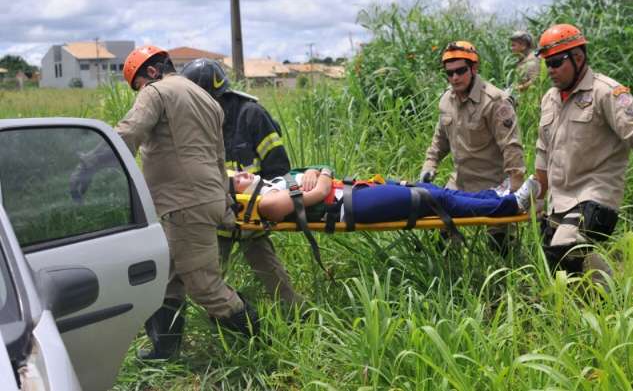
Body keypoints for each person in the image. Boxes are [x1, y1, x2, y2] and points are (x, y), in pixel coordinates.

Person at [70, 46, 259, 361]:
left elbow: (129, 134)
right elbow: (217, 158)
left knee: (205, 287)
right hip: (203, 200)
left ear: (152, 72)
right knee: (166, 279)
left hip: (184, 204)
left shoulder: (156, 92)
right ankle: (164, 350)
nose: (141, 90)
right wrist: (224, 205)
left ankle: (260, 346)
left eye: (140, 83)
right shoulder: (208, 101)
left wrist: (87, 165)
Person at [181, 58, 302, 306]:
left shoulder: (252, 115)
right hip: (217, 216)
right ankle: (224, 320)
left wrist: (264, 202)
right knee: (208, 279)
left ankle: (298, 316)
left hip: (254, 212)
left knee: (266, 266)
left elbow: (280, 169)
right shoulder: (194, 124)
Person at [534, 24, 633, 286]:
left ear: (578, 58)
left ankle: (613, 294)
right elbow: (542, 151)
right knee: (556, 263)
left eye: (557, 62)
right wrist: (537, 199)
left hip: (596, 195)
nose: (551, 70)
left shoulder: (607, 92)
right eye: (548, 64)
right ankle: (600, 304)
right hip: (559, 199)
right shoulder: (550, 99)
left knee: (566, 246)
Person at [420, 41, 526, 254]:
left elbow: (511, 147)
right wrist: (429, 165)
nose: (455, 78)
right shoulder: (446, 101)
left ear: (474, 69)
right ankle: (451, 274)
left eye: (460, 71)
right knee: (436, 233)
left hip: (493, 186)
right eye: (449, 73)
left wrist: (514, 189)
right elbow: (439, 141)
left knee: (501, 247)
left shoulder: (495, 101)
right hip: (459, 182)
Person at [231, 168, 539, 223]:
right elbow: (322, 189)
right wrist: (318, 176)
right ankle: (509, 204)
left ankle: (493, 195)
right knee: (430, 200)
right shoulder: (269, 202)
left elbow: (321, 173)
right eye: (236, 181)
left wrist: (316, 171)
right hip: (349, 207)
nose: (243, 174)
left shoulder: (274, 185)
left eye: (239, 171)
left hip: (351, 193)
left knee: (430, 189)